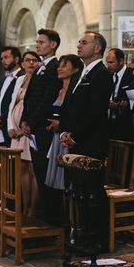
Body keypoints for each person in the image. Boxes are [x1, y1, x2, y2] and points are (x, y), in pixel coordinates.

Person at [60, 32, 115, 243]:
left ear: (97, 48)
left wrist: (76, 135)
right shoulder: (80, 73)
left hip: (92, 142)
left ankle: (97, 238)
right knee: (78, 190)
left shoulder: (102, 74)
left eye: (84, 42)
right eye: (79, 41)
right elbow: (69, 106)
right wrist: (65, 131)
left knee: (92, 191)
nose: (79, 45)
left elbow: (95, 111)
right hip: (75, 140)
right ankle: (81, 232)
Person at [20, 29, 63, 190]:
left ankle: (48, 213)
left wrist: (30, 122)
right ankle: (42, 212)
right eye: (37, 42)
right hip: (32, 128)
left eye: (41, 42)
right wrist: (24, 120)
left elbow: (47, 99)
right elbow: (29, 97)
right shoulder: (38, 68)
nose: (37, 45)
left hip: (43, 127)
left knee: (45, 172)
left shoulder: (55, 67)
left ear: (53, 45)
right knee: (38, 170)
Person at [7, 51, 41, 219]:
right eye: (28, 60)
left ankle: (33, 209)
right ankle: (24, 205)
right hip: (16, 130)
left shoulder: (40, 79)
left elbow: (36, 106)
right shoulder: (19, 79)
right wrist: (10, 127)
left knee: (32, 168)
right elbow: (12, 104)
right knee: (21, 168)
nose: (31, 63)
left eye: (35, 60)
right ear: (22, 63)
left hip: (29, 129)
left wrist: (23, 128)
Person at [44, 54, 83, 191]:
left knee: (68, 178)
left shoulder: (76, 90)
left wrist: (61, 124)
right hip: (55, 136)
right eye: (59, 66)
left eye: (64, 65)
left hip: (67, 135)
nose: (59, 69)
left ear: (76, 69)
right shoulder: (58, 89)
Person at [0, 46, 22, 146]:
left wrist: (0, 121)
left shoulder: (22, 77)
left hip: (10, 126)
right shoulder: (3, 79)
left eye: (6, 57)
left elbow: (16, 104)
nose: (3, 61)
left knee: (11, 159)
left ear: (16, 59)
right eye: (2, 58)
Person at [106, 48, 134, 141]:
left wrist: (122, 104)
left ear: (121, 61)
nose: (109, 65)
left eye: (111, 62)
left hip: (126, 121)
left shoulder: (131, 74)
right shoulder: (108, 75)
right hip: (109, 121)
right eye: (107, 62)